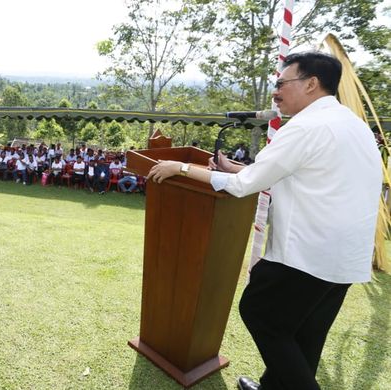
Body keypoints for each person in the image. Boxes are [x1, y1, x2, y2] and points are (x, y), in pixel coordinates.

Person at [148, 52, 382, 390]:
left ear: (311, 83)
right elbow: (295, 177)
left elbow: (244, 188)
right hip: (345, 258)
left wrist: (180, 168)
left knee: (260, 313)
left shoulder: (305, 126)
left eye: (281, 83)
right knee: (306, 333)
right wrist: (239, 169)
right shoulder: (354, 126)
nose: (275, 92)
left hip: (307, 254)